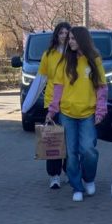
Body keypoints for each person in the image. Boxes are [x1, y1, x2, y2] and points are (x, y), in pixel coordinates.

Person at [45, 26, 107, 201]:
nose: (70, 41)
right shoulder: (64, 61)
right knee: (71, 153)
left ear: (82, 40)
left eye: (73, 38)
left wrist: (101, 111)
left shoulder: (94, 60)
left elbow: (102, 88)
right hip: (67, 114)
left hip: (88, 114)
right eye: (69, 38)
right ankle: (76, 187)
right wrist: (52, 111)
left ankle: (89, 178)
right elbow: (58, 89)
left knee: (88, 150)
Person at [37, 21, 71, 189]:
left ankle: (69, 170)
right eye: (61, 33)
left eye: (67, 33)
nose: (64, 36)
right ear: (56, 35)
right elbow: (41, 79)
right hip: (52, 101)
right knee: (54, 139)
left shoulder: (75, 54)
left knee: (70, 140)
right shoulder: (48, 55)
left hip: (71, 101)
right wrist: (28, 104)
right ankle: (54, 175)